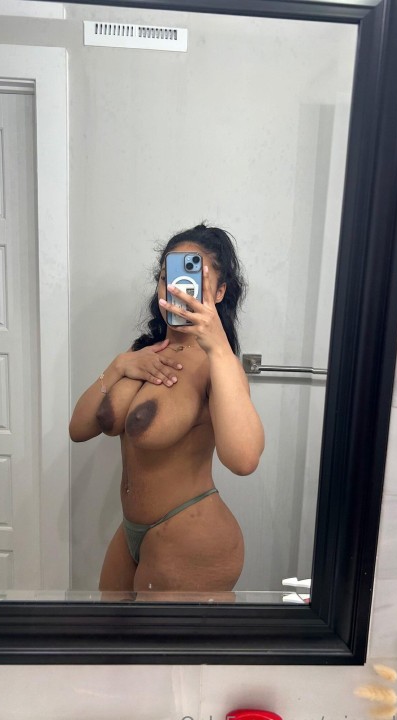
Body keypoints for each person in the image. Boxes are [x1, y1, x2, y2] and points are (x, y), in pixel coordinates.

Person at [69, 224, 264, 594]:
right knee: (106, 631)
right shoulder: (142, 355)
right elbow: (78, 429)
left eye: (193, 281)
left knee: (157, 638)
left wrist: (219, 347)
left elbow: (244, 460)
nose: (176, 290)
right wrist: (118, 365)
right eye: (166, 278)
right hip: (131, 532)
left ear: (219, 292)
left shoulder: (216, 367)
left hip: (190, 536)